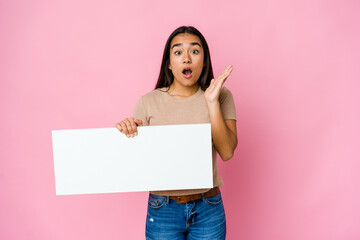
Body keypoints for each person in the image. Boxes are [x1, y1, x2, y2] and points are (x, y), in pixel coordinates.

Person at [115, 25, 237, 240]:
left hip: (208, 206)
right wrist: (128, 132)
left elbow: (227, 152)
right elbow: (137, 164)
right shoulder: (147, 102)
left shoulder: (220, 95)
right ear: (169, 64)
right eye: (178, 52)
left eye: (195, 51)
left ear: (204, 61)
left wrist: (211, 103)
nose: (187, 58)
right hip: (164, 208)